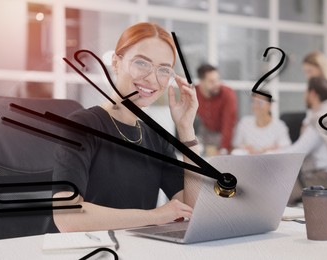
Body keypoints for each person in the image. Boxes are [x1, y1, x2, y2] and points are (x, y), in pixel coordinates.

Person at [52, 22, 199, 232]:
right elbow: (67, 217)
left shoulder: (156, 138)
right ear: (116, 62)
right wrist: (154, 216)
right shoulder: (81, 125)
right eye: (141, 63)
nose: (151, 78)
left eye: (163, 69)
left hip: (138, 250)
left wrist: (186, 130)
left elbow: (192, 211)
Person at [275, 77, 327, 204]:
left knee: (277, 191)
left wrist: (267, 153)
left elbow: (296, 153)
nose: (304, 95)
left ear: (312, 94)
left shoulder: (321, 118)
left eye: (305, 91)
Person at [195, 64, 237, 155]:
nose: (217, 84)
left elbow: (228, 123)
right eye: (211, 81)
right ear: (201, 82)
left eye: (218, 80)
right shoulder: (194, 92)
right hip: (205, 130)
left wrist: (224, 149)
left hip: (224, 132)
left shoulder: (228, 94)